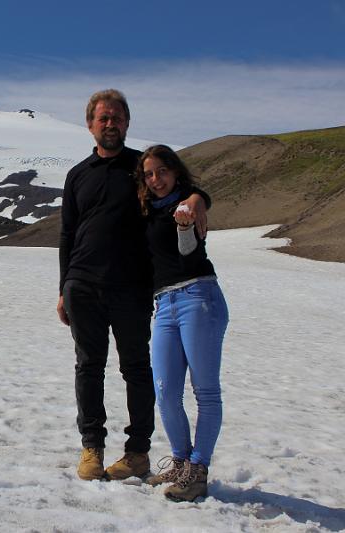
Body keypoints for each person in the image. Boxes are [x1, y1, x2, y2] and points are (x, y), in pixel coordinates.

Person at [57, 89, 209, 482]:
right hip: (83, 285)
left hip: (131, 287)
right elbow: (67, 234)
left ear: (127, 122)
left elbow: (178, 188)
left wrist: (198, 198)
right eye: (103, 118)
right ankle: (91, 447)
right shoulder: (77, 175)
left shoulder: (140, 169)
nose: (111, 124)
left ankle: (137, 452)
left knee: (137, 369)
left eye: (118, 117)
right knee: (88, 367)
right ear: (90, 124)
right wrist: (63, 288)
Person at [134, 145, 228, 501]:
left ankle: (198, 471)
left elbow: (188, 253)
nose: (156, 179)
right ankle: (180, 460)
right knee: (166, 392)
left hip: (198, 299)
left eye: (162, 171)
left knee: (204, 390)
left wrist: (187, 219)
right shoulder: (147, 211)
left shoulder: (186, 207)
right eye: (149, 174)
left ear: (175, 172)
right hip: (165, 305)